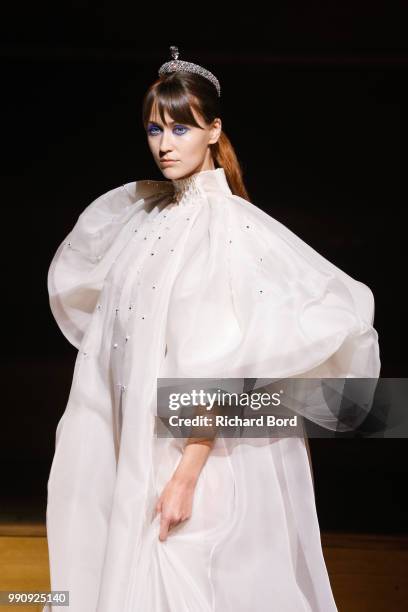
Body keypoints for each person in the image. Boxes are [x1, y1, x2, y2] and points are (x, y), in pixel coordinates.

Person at [43, 46, 381, 611]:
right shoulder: (142, 215)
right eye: (155, 128)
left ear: (213, 130)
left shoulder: (223, 228)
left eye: (181, 126)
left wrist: (186, 474)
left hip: (192, 457)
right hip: (135, 448)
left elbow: (223, 359)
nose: (165, 142)